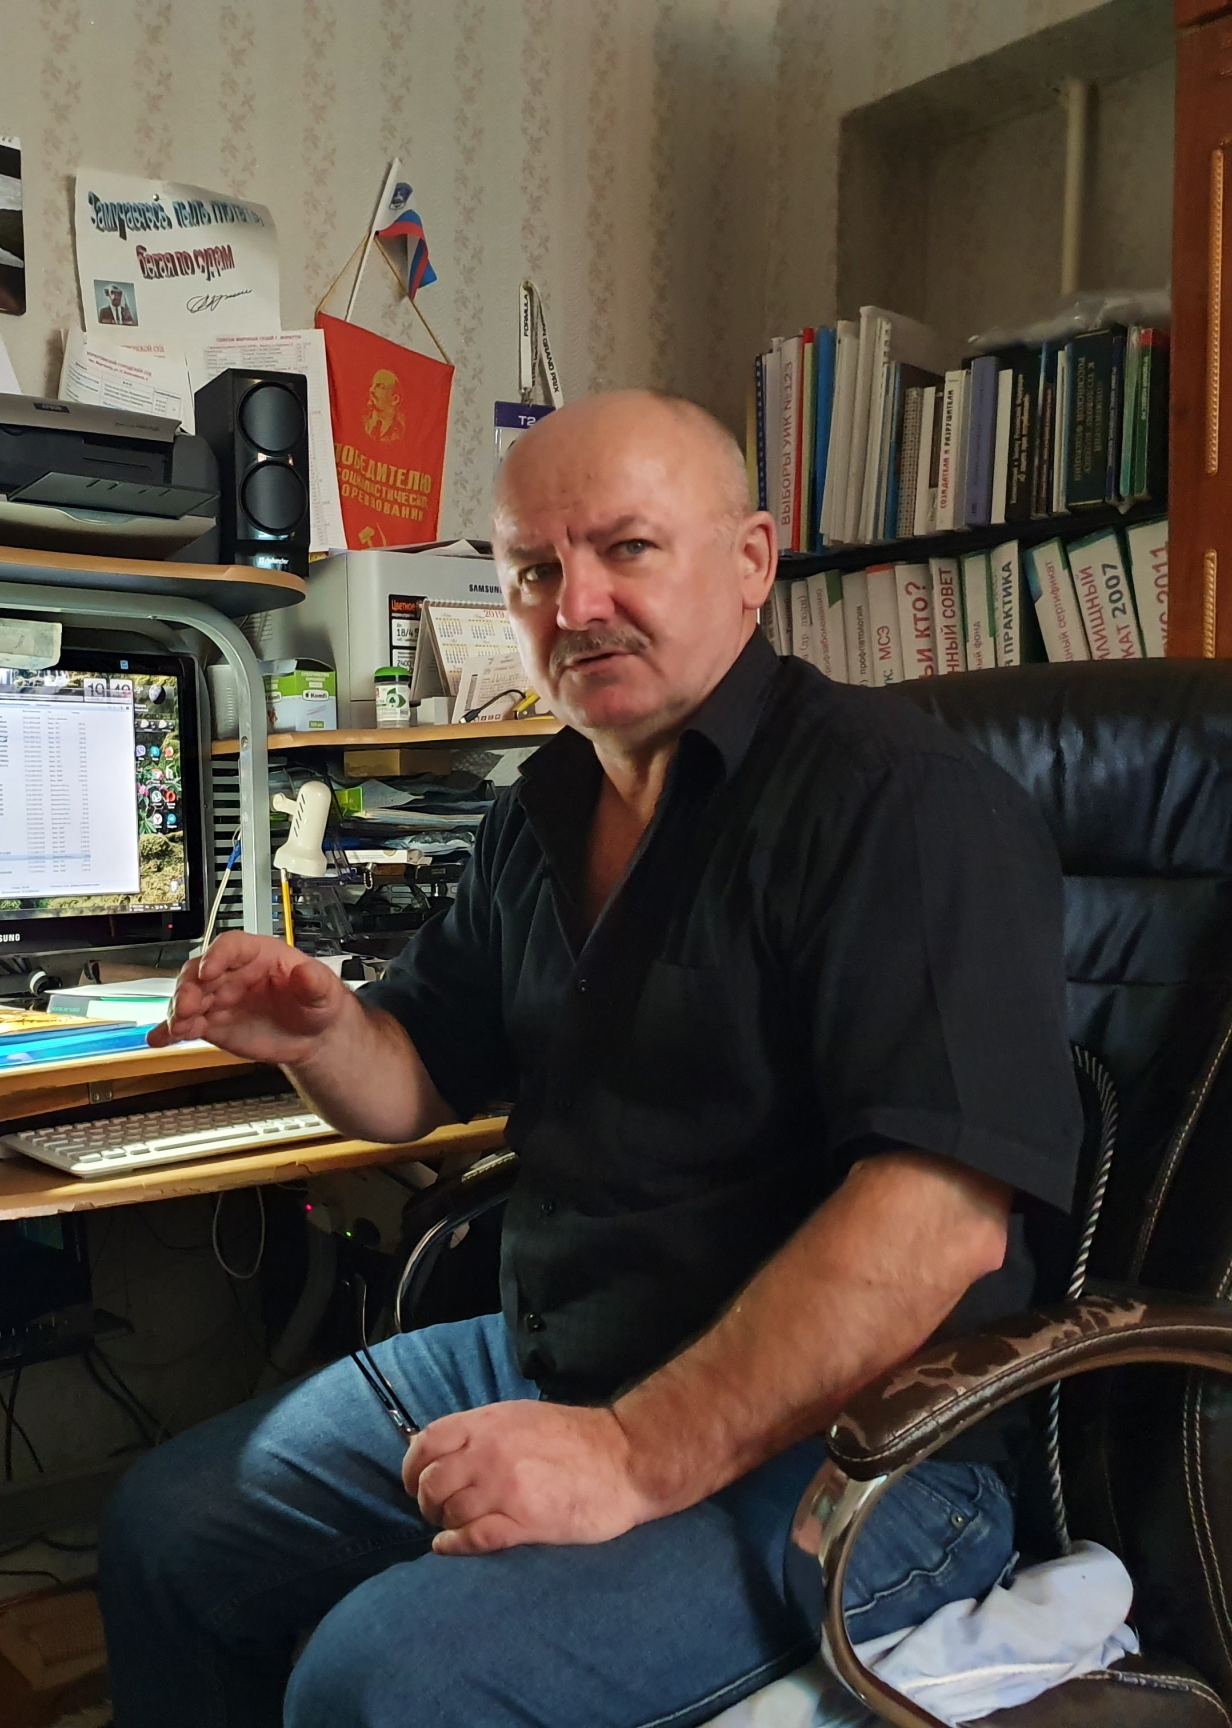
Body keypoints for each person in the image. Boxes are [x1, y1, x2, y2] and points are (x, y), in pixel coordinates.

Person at [99, 391, 1081, 1727]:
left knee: (384, 1678)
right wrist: (323, 1034)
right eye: (535, 572)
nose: (577, 605)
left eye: (627, 550)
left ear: (750, 561)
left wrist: (628, 1456)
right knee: (169, 1532)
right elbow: (416, 1086)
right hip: (566, 1357)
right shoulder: (539, 813)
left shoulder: (903, 808)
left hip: (869, 1448)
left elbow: (939, 1227)